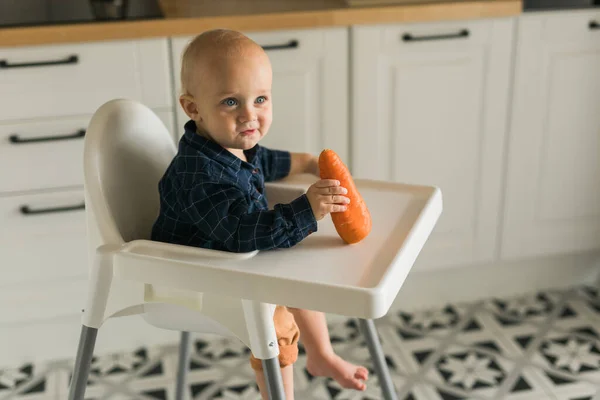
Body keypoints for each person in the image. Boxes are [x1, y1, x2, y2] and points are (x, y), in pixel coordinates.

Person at [151, 29, 368, 399]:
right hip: (194, 274)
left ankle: (321, 355)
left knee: (300, 276)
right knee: (276, 320)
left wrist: (313, 164)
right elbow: (239, 234)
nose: (250, 116)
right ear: (193, 108)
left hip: (232, 260)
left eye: (261, 99)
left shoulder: (231, 143)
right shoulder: (197, 176)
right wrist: (306, 210)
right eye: (231, 102)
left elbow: (267, 161)